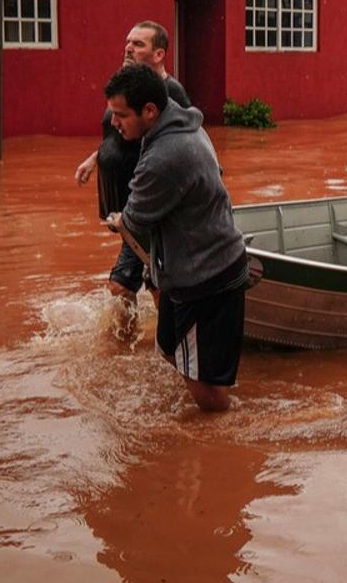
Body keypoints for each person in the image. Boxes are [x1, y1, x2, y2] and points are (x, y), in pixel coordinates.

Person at [104, 64, 248, 413]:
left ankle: (220, 440)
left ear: (150, 110)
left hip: (204, 279)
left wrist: (120, 219)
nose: (114, 123)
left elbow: (135, 219)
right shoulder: (183, 124)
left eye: (121, 115)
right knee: (170, 348)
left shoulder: (166, 155)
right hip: (194, 268)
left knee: (206, 391)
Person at [74, 21, 191, 304]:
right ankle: (161, 337)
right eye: (128, 41)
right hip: (129, 204)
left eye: (138, 44)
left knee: (121, 286)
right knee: (153, 276)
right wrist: (96, 158)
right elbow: (118, 131)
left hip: (149, 205)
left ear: (159, 54)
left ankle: (134, 344)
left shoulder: (169, 92)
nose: (128, 48)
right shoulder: (127, 86)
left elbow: (187, 142)